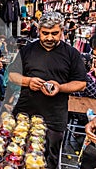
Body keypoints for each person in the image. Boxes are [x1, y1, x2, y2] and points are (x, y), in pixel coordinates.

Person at [8, 12, 87, 168]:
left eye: (54, 33)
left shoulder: (71, 54)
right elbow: (12, 75)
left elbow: (81, 83)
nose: (49, 37)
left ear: (62, 31)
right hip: (25, 115)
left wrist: (60, 87)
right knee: (17, 156)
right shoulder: (27, 50)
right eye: (45, 33)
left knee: (49, 160)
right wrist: (28, 81)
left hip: (54, 119)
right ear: (38, 31)